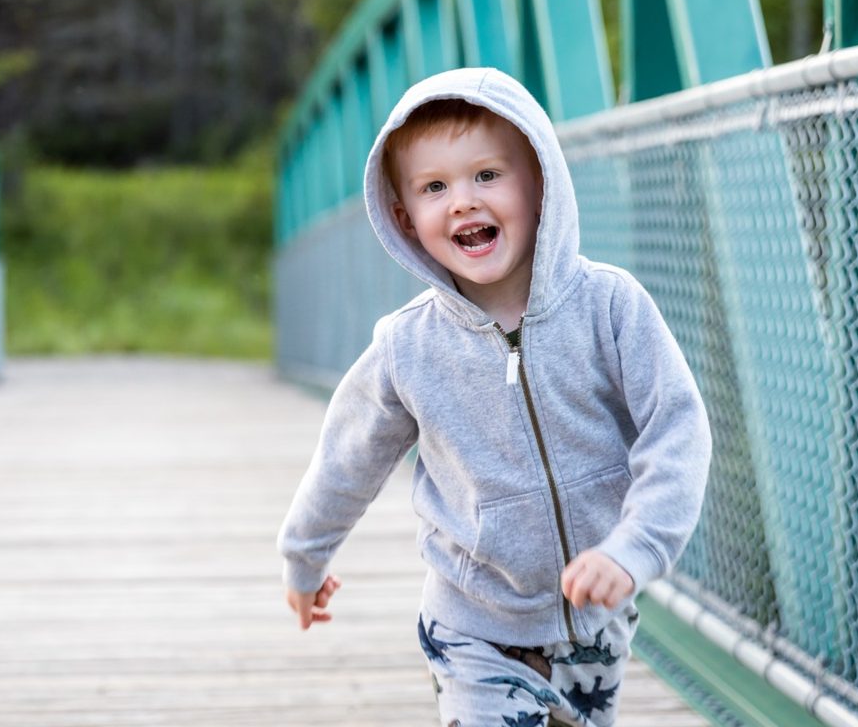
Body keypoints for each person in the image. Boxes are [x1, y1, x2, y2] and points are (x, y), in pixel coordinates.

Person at [277, 67, 711, 727]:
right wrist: (304, 557)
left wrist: (637, 546)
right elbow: (346, 458)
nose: (461, 201)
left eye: (487, 175)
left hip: (596, 616)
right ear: (405, 218)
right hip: (472, 622)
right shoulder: (408, 346)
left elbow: (677, 428)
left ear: (540, 183)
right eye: (434, 187)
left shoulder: (611, 306)